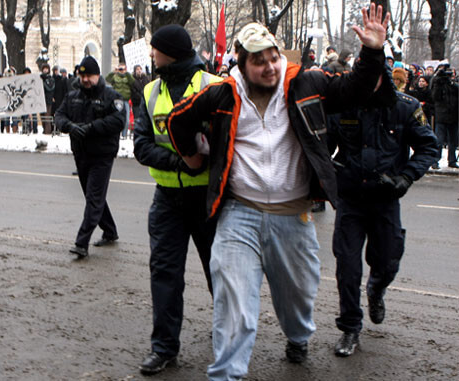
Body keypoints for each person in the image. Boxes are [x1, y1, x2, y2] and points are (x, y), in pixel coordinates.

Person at [166, 5, 390, 379]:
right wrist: (192, 156)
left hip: (294, 214)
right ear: (242, 64)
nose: (269, 66)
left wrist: (372, 51)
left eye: (273, 57)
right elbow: (178, 119)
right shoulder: (223, 94)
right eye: (259, 61)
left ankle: (298, 336)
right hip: (240, 212)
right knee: (234, 298)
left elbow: (356, 90)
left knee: (298, 295)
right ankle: (226, 374)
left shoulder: (305, 83)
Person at [327, 65, 438, 357]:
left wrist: (406, 177)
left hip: (386, 198)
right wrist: (327, 173)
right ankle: (350, 327)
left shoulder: (404, 107)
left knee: (388, 260)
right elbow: (322, 147)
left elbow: (429, 147)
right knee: (347, 267)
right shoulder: (343, 105)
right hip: (351, 198)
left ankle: (376, 289)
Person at [133, 24, 222, 375]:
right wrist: (178, 161)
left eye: (155, 49)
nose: (151, 54)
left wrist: (204, 160)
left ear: (170, 51)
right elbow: (141, 144)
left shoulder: (213, 87)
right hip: (167, 199)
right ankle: (164, 348)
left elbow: (232, 143)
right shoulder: (151, 90)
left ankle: (228, 336)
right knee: (165, 273)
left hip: (208, 200)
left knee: (221, 273)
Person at [55, 56, 126, 258]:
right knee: (93, 196)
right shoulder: (73, 96)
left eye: (89, 75)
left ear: (98, 75)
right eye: (82, 75)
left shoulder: (111, 96)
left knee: (94, 198)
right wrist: (69, 127)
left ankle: (81, 242)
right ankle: (110, 231)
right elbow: (59, 116)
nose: (85, 79)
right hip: (81, 154)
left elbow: (118, 120)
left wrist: (91, 128)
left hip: (102, 154)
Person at [430, 64, 458, 169]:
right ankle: (435, 161)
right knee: (439, 140)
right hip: (441, 116)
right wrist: (438, 81)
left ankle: (452, 160)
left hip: (454, 116)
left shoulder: (454, 85)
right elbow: (435, 97)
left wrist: (451, 83)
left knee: (453, 140)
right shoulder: (438, 83)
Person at [106, 63, 134, 138]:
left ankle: (124, 135)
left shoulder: (128, 76)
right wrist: (113, 72)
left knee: (127, 119)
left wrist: (127, 73)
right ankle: (117, 134)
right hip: (117, 100)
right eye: (120, 69)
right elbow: (107, 79)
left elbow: (132, 82)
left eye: (123, 69)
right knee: (116, 117)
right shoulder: (115, 76)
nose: (121, 71)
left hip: (126, 100)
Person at [130, 64, 149, 131]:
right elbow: (133, 91)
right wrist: (141, 96)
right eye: (137, 69)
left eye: (140, 69)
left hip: (145, 101)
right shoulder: (132, 80)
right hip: (136, 102)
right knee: (137, 119)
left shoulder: (145, 78)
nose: (139, 71)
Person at [40, 63, 55, 134]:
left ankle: (48, 131)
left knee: (47, 116)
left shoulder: (50, 78)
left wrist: (44, 82)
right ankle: (44, 129)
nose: (45, 70)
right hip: (40, 99)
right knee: (42, 116)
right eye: (44, 69)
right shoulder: (40, 77)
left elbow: (50, 88)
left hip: (48, 100)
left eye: (46, 69)